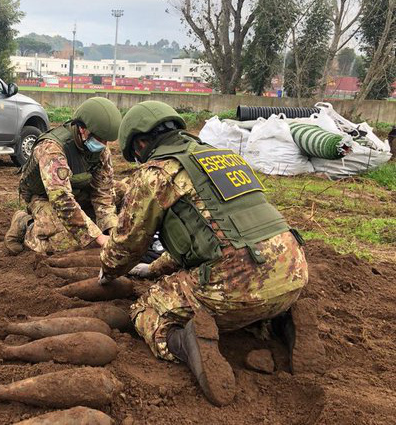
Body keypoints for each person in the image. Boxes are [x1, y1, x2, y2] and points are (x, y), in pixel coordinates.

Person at [98, 101, 324, 406]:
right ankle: (283, 319)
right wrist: (154, 268)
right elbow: (216, 233)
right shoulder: (224, 157)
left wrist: (109, 270)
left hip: (234, 285)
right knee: (250, 291)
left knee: (145, 311)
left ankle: (183, 343)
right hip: (293, 271)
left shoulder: (155, 173)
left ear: (141, 143)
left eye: (136, 154)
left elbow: (127, 244)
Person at [4, 97, 122, 255]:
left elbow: (104, 192)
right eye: (99, 139)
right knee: (64, 244)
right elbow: (61, 200)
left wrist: (111, 229)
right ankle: (26, 224)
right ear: (82, 129)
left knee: (128, 192)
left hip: (77, 190)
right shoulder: (52, 149)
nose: (104, 145)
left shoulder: (100, 151)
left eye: (106, 140)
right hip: (44, 196)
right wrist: (99, 237)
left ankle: (88, 221)